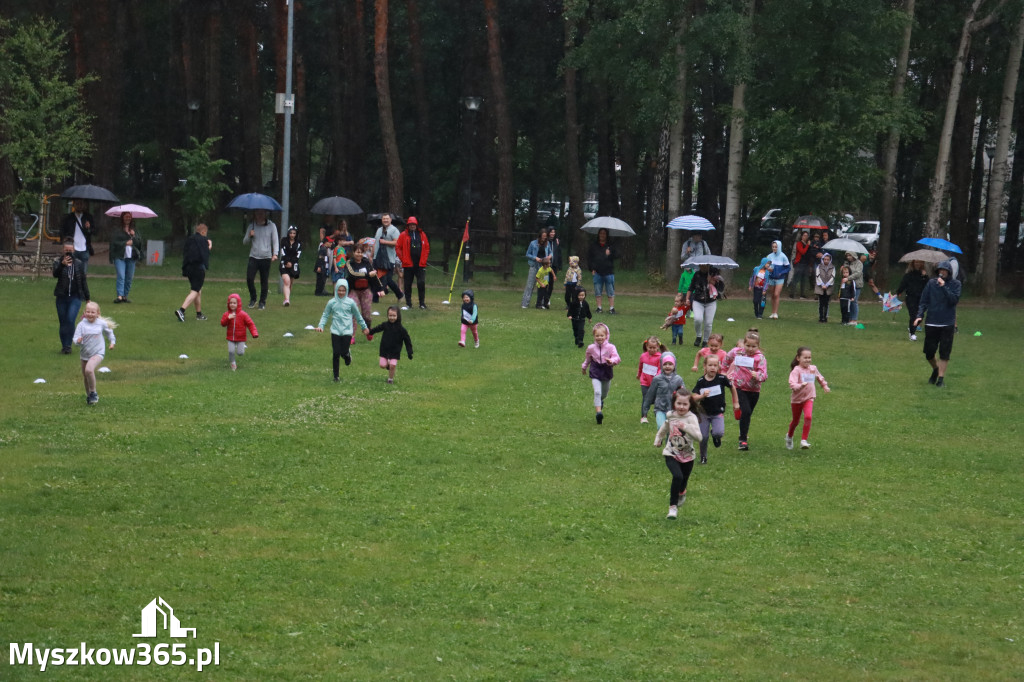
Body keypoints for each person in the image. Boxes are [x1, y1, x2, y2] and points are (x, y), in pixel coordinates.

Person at [653, 389, 702, 519]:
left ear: (690, 405)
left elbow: (699, 437)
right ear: (674, 403)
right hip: (671, 452)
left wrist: (685, 427)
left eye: (685, 404)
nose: (681, 407)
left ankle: (682, 491)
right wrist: (658, 438)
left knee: (683, 481)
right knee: (677, 476)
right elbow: (664, 427)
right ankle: (672, 508)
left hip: (688, 456)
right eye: (678, 403)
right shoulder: (670, 415)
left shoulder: (692, 418)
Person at [913, 260, 962, 388]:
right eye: (940, 270)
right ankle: (935, 369)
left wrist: (944, 286)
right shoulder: (931, 283)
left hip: (947, 323)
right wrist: (919, 316)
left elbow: (953, 300)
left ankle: (941, 379)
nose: (942, 273)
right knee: (929, 352)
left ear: (949, 272)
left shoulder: (956, 284)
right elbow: (923, 301)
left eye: (944, 270)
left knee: (944, 353)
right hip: (932, 322)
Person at [316, 279, 372, 382]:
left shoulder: (350, 303)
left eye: (343, 290)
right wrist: (321, 326)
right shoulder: (331, 302)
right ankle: (336, 376)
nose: (341, 292)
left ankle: (347, 355)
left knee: (343, 352)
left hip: (347, 331)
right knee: (336, 353)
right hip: (335, 331)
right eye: (339, 290)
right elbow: (325, 315)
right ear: (336, 289)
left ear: (346, 291)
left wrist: (364, 327)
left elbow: (358, 315)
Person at [722, 328, 768, 451]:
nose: (750, 349)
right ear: (744, 343)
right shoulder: (737, 352)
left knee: (747, 414)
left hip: (754, 390)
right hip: (738, 387)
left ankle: (741, 418)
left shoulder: (760, 358)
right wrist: (723, 372)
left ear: (758, 346)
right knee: (746, 411)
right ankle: (743, 440)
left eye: (754, 346)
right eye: (748, 345)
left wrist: (757, 375)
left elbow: (764, 375)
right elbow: (726, 360)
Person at [691, 355, 739, 464]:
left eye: (715, 365)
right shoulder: (701, 381)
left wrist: (735, 402)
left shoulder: (721, 379)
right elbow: (694, 397)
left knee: (718, 433)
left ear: (718, 367)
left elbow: (732, 387)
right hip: (703, 413)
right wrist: (702, 396)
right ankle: (703, 457)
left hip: (717, 412)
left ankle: (715, 435)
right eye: (710, 365)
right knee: (703, 437)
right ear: (705, 366)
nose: (713, 368)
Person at [785, 346, 830, 450]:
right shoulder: (796, 370)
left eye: (809, 357)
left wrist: (824, 386)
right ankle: (789, 436)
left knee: (808, 417)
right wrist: (800, 385)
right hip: (797, 400)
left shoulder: (812, 369)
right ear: (798, 358)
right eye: (805, 357)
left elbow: (819, 377)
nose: (808, 360)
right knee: (795, 421)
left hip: (809, 398)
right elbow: (792, 384)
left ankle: (804, 440)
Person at [72, 301, 116, 405]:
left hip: (98, 352)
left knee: (89, 370)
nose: (90, 314)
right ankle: (89, 397)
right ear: (84, 312)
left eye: (93, 312)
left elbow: (109, 332)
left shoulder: (101, 323)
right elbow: (75, 338)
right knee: (86, 375)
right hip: (85, 354)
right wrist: (78, 341)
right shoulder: (81, 325)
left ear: (98, 313)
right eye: (88, 312)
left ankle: (93, 392)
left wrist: (112, 342)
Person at [53, 240, 90, 354]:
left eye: (70, 250)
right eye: (66, 250)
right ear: (63, 250)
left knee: (70, 319)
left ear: (74, 250)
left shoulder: (79, 263)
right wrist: (62, 265)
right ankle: (65, 346)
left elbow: (83, 281)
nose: (68, 252)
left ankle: (69, 344)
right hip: (61, 297)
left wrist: (88, 298)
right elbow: (55, 274)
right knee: (63, 321)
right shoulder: (58, 262)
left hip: (75, 297)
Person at [581, 322, 620, 425]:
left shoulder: (611, 347)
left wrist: (611, 361)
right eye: (597, 336)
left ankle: (601, 401)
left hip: (606, 371)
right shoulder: (591, 348)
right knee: (597, 392)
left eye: (602, 335)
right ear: (594, 336)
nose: (599, 338)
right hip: (595, 370)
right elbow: (588, 359)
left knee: (604, 394)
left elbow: (617, 358)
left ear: (606, 336)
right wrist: (584, 367)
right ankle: (598, 413)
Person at [242, 208, 279, 309]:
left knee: (264, 280)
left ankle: (262, 302)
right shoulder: (251, 226)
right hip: (253, 256)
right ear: (255, 214)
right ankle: (253, 298)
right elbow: (245, 242)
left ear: (265, 214)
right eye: (258, 213)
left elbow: (275, 240)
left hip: (266, 257)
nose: (260, 215)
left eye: (262, 213)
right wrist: (249, 235)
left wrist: (275, 253)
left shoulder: (271, 225)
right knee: (249, 278)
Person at [175, 223, 211, 322]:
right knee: (195, 290)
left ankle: (199, 314)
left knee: (198, 291)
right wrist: (210, 245)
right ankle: (181, 310)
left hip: (189, 269)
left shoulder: (190, 239)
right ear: (203, 231)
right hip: (198, 269)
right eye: (206, 233)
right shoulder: (203, 240)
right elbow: (205, 253)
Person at [641, 351, 687, 429]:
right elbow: (650, 394)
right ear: (661, 365)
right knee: (661, 427)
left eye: (670, 364)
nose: (667, 366)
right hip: (660, 409)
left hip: (673, 409)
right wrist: (645, 409)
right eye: (665, 364)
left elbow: (685, 394)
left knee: (671, 430)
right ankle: (660, 440)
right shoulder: (657, 379)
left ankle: (667, 441)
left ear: (674, 365)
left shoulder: (678, 379)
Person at [368, 305, 413, 384]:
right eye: (390, 315)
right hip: (384, 349)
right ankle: (387, 365)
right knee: (382, 365)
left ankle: (390, 379)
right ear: (387, 315)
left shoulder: (401, 329)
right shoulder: (385, 325)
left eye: (394, 316)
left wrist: (409, 351)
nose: (392, 317)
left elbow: (407, 340)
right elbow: (377, 328)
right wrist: (370, 332)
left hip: (395, 351)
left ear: (398, 316)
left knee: (393, 365)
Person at [109, 211, 145, 303]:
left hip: (131, 257)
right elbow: (114, 243)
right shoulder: (117, 230)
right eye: (126, 216)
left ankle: (125, 296)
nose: (128, 218)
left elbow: (140, 242)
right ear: (122, 217)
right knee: (121, 275)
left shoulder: (134, 230)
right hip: (119, 256)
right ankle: (119, 296)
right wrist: (125, 243)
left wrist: (134, 236)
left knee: (129, 277)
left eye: (129, 217)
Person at [395, 216, 430, 309]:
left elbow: (426, 247)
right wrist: (403, 259)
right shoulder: (403, 235)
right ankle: (408, 304)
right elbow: (398, 247)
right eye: (410, 224)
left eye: (414, 224)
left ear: (416, 225)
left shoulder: (422, 235)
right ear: (408, 225)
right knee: (407, 284)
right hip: (408, 264)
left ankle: (422, 303)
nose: (412, 226)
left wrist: (424, 259)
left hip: (420, 264)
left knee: (421, 283)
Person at [686, 264, 723, 348]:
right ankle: (698, 336)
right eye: (701, 266)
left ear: (708, 266)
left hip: (711, 302)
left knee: (708, 323)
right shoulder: (697, 274)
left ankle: (706, 340)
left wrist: (712, 282)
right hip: (698, 301)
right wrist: (687, 299)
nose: (703, 267)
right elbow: (691, 288)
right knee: (698, 319)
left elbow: (721, 289)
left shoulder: (714, 274)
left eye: (705, 266)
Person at [220, 293, 259, 371]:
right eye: (230, 303)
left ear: (238, 304)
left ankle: (241, 346)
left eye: (234, 303)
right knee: (231, 351)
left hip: (241, 337)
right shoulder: (227, 314)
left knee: (240, 353)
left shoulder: (243, 314)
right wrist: (228, 318)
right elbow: (223, 324)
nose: (232, 305)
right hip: (231, 337)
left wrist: (254, 333)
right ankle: (233, 363)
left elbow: (250, 324)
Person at [345, 244, 379, 325]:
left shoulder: (366, 261)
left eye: (361, 252)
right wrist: (367, 275)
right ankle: (351, 336)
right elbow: (353, 274)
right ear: (353, 253)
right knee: (353, 312)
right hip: (353, 290)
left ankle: (368, 330)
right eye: (357, 252)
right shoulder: (349, 262)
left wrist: (380, 289)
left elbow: (373, 275)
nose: (359, 254)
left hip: (365, 290)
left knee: (366, 313)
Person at [373, 213, 404, 301]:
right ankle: (375, 299)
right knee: (376, 278)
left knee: (388, 279)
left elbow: (397, 243)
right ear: (382, 220)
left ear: (390, 220)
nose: (385, 220)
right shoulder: (379, 230)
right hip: (377, 257)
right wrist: (372, 255)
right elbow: (376, 243)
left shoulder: (394, 230)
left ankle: (400, 294)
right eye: (384, 219)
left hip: (388, 259)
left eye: (387, 219)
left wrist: (385, 242)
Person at [895, 260, 929, 341]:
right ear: (913, 264)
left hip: (921, 298)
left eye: (919, 262)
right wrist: (898, 292)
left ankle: (911, 328)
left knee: (920, 316)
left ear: (922, 264)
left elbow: (928, 285)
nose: (917, 264)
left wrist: (925, 276)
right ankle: (912, 334)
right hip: (911, 298)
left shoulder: (924, 275)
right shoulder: (909, 275)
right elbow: (903, 284)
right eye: (916, 262)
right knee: (913, 315)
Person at [59, 199, 95, 271]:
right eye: (77, 204)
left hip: (84, 248)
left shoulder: (88, 217)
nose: (79, 206)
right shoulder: (69, 217)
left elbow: (92, 231)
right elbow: (62, 230)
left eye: (81, 204)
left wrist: (89, 228)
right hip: (72, 248)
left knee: (83, 273)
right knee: (71, 271)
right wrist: (64, 240)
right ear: (74, 205)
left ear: (84, 205)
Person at [588, 228, 617, 313]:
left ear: (607, 235)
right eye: (601, 233)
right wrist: (592, 268)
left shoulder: (610, 245)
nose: (602, 235)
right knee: (598, 290)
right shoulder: (594, 245)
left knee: (610, 290)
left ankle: (611, 308)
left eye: (604, 233)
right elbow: (590, 258)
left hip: (608, 271)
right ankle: (599, 307)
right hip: (597, 271)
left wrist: (610, 254)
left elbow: (616, 255)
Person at [520, 228, 552, 309]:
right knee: (530, 285)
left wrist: (549, 256)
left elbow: (551, 252)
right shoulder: (533, 243)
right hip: (534, 265)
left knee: (543, 285)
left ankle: (540, 304)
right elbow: (528, 254)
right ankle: (525, 303)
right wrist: (535, 258)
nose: (544, 238)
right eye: (543, 236)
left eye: (545, 236)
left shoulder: (547, 244)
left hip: (544, 267)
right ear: (540, 235)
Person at [637, 336, 665, 424]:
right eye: (650, 347)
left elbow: (660, 369)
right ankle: (644, 416)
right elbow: (641, 367)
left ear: (658, 347)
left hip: (655, 383)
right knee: (645, 398)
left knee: (656, 399)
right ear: (646, 346)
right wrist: (638, 375)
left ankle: (658, 414)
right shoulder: (643, 356)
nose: (652, 349)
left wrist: (657, 377)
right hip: (644, 381)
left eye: (654, 348)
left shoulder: (660, 357)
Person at [764, 240, 790, 319]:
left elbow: (788, 267)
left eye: (776, 247)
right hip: (771, 278)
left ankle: (776, 313)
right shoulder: (769, 256)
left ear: (779, 247)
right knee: (772, 295)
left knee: (776, 294)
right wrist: (768, 268)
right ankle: (772, 312)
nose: (774, 248)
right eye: (773, 247)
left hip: (780, 279)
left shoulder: (783, 256)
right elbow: (765, 265)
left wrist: (781, 273)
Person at [279, 225, 301, 306]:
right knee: (286, 281)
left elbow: (298, 254)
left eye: (294, 233)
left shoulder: (298, 243)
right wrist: (287, 262)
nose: (292, 235)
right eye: (291, 233)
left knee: (290, 283)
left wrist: (291, 263)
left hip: (293, 264)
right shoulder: (284, 241)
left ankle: (287, 298)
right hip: (284, 264)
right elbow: (282, 252)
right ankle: (287, 300)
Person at [788, 231, 812, 298]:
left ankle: (802, 294)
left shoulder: (808, 245)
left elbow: (809, 254)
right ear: (802, 236)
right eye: (804, 235)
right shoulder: (799, 243)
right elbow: (802, 252)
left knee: (804, 280)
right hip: (799, 263)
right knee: (796, 279)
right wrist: (807, 245)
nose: (805, 237)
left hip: (806, 264)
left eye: (807, 236)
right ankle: (792, 293)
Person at [814, 252, 835, 323]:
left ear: (830, 260)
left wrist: (827, 285)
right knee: (821, 303)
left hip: (828, 288)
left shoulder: (832, 267)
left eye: (827, 260)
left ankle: (825, 317)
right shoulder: (819, 266)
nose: (826, 261)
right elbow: (817, 276)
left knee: (826, 303)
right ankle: (820, 317)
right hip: (820, 287)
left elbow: (833, 277)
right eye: (825, 259)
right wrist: (822, 284)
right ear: (822, 259)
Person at [844, 251, 863, 323]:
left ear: (853, 255)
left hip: (857, 285)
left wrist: (848, 278)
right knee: (849, 302)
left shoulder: (859, 263)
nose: (848, 257)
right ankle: (849, 318)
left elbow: (858, 273)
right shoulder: (846, 263)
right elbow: (844, 272)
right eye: (847, 255)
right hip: (848, 285)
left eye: (850, 255)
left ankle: (854, 319)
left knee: (854, 301)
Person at [315, 227, 334, 296]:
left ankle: (322, 290)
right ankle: (319, 291)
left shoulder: (326, 249)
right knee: (320, 280)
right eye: (330, 242)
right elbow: (320, 258)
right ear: (326, 242)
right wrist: (319, 267)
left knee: (323, 279)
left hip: (324, 267)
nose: (331, 244)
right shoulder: (322, 249)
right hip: (321, 266)